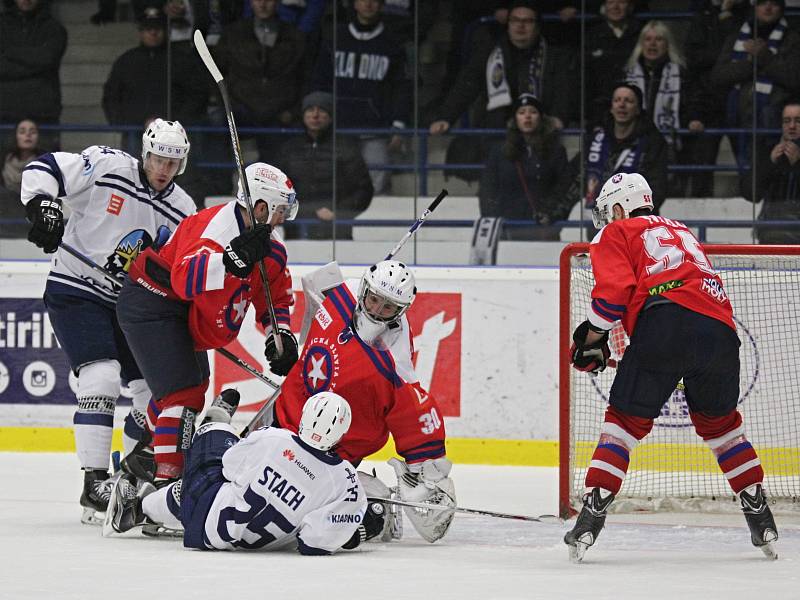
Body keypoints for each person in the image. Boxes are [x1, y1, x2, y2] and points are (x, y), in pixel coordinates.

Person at [564, 171, 779, 562]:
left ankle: (590, 518)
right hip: (720, 333)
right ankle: (759, 515)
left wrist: (591, 337)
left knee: (624, 424)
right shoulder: (683, 231)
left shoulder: (617, 233)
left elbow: (612, 297)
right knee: (722, 426)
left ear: (618, 207)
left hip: (664, 323)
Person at [19, 118, 196, 525]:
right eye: (157, 158)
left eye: (172, 162)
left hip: (132, 306)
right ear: (144, 152)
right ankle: (94, 483)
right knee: (100, 376)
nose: (162, 169)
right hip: (76, 288)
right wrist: (43, 206)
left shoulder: (184, 209)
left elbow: (184, 270)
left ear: (181, 164)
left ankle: (128, 474)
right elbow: (42, 168)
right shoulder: (105, 166)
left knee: (156, 396)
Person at [115, 162, 300, 485]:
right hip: (152, 300)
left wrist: (279, 335)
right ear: (260, 207)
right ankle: (167, 481)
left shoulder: (272, 249)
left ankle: (143, 457)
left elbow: (276, 298)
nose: (285, 217)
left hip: (184, 312)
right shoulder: (214, 230)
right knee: (183, 393)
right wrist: (229, 261)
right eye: (281, 209)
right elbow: (183, 279)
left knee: (191, 384)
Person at [272, 259, 456, 543]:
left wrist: (430, 476)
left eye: (388, 307)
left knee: (297, 512)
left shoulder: (396, 367)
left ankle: (376, 506)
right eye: (373, 300)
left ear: (401, 311)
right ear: (363, 291)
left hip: (335, 454)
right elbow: (313, 284)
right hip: (284, 417)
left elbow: (418, 417)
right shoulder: (338, 296)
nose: (376, 311)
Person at [105, 391, 389, 555]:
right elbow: (313, 543)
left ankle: (139, 507)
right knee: (209, 489)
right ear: (342, 433)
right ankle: (144, 508)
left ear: (304, 417)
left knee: (217, 436)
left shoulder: (273, 438)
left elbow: (229, 466)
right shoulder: (346, 482)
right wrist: (356, 530)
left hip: (204, 511)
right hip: (236, 542)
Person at [309, 0, 412, 194]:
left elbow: (402, 87)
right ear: (354, 4)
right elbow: (319, 81)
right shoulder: (334, 37)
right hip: (337, 129)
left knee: (377, 190)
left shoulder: (393, 43)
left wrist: (399, 123)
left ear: (382, 4)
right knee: (332, 187)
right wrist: (318, 116)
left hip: (376, 131)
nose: (369, 4)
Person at [623, 20, 714, 197]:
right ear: (641, 44)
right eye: (648, 39)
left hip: (669, 143)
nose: (652, 44)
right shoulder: (627, 74)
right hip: (635, 140)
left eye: (659, 39)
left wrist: (694, 118)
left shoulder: (682, 73)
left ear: (668, 44)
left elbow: (695, 101)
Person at [102, 7, 209, 157]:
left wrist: (174, 123)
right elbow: (111, 95)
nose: (153, 33)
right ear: (140, 31)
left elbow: (198, 93)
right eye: (148, 28)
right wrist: (126, 123)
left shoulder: (181, 60)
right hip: (135, 135)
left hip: (174, 137)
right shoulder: (127, 61)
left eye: (158, 28)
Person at [213, 0, 306, 165]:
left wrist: (292, 112)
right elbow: (217, 74)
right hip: (240, 116)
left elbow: (303, 78)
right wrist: (230, 107)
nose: (263, 4)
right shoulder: (233, 33)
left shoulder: (294, 36)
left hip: (279, 119)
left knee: (276, 171)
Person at [711, 0, 800, 165]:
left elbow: (793, 78)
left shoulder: (792, 37)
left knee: (766, 172)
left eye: (773, 3)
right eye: (762, 3)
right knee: (745, 171)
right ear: (754, 6)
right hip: (736, 117)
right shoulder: (738, 34)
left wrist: (764, 57)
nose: (767, 7)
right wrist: (752, 64)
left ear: (781, 8)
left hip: (772, 120)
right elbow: (718, 75)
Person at [279, 91, 374, 240]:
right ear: (303, 114)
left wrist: (338, 212)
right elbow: (279, 191)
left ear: (331, 115)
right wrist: (307, 211)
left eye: (322, 110)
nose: (315, 115)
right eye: (310, 109)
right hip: (297, 231)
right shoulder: (289, 149)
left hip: (336, 230)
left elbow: (363, 190)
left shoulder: (346, 148)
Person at [478, 93, 572, 241]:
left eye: (533, 112)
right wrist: (493, 222)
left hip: (543, 230)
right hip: (508, 230)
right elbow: (487, 190)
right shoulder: (499, 151)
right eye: (522, 112)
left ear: (541, 118)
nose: (527, 116)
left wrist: (554, 219)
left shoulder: (556, 151)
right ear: (515, 119)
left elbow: (563, 190)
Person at [577, 83, 668, 221]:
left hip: (637, 224)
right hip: (599, 222)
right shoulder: (596, 138)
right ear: (611, 108)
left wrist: (631, 214)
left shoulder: (652, 141)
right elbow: (574, 177)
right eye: (617, 100)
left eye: (629, 101)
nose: (622, 105)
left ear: (638, 109)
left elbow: (657, 186)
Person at [0, 0, 67, 139]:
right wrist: (34, 64)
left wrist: (9, 52)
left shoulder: (54, 28)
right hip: (5, 113)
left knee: (45, 161)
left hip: (43, 114)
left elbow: (47, 59)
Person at [741, 98, 800, 243]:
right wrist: (770, 162)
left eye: (798, 121)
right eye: (787, 121)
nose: (792, 126)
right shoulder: (767, 151)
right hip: (770, 234)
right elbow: (750, 194)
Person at [583, 0, 642, 125]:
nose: (615, 7)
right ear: (604, 6)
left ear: (630, 6)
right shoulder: (590, 34)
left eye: (621, 2)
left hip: (633, 109)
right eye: (610, 2)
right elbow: (584, 78)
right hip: (598, 111)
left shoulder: (640, 33)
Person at [0, 118, 42, 238]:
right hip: (5, 224)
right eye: (22, 131)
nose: (27, 135)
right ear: (16, 136)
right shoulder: (3, 160)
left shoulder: (46, 162)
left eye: (32, 131)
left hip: (34, 225)